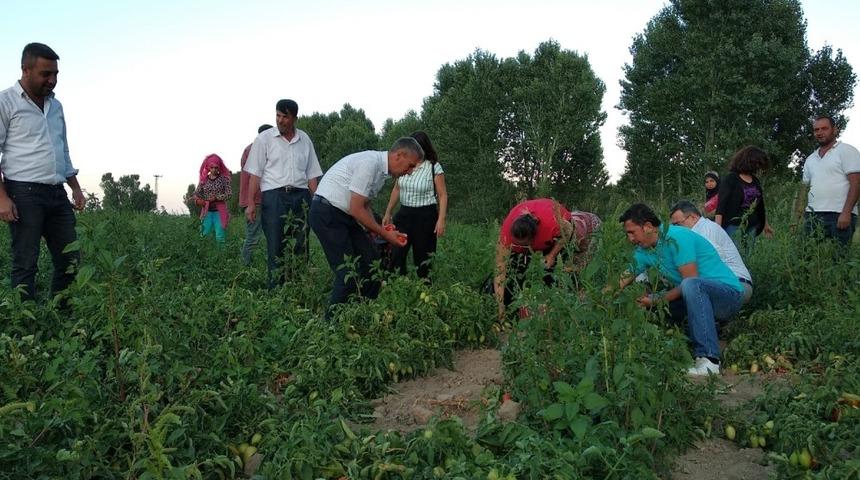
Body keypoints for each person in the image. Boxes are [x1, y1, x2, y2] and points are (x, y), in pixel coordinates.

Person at [0, 43, 85, 301]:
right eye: (45, 74)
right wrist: (2, 198)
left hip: (56, 194)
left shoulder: (56, 107)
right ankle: (24, 328)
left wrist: (76, 187)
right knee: (26, 262)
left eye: (56, 74)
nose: (52, 80)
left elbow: (62, 149)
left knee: (70, 258)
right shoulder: (6, 102)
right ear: (25, 70)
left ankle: (64, 315)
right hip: (23, 193)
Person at [617, 203, 743, 376]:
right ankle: (670, 349)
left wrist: (657, 298)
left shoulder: (676, 237)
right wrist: (600, 298)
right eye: (627, 234)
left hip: (727, 296)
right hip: (697, 297)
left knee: (690, 285)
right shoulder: (644, 251)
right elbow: (622, 279)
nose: (630, 239)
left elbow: (690, 281)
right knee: (653, 309)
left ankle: (709, 361)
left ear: (647, 227)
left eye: (632, 232)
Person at [309, 138, 424, 318]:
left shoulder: (381, 172)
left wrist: (384, 230)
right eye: (410, 166)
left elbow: (364, 206)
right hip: (327, 213)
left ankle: (363, 314)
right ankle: (330, 327)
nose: (409, 173)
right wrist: (385, 235)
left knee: (372, 263)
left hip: (343, 215)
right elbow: (356, 209)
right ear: (399, 155)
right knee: (347, 273)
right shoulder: (370, 164)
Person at [243, 100, 322, 288]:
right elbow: (255, 173)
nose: (280, 120)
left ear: (295, 118)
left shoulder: (304, 140)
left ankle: (298, 288)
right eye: (278, 115)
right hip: (274, 197)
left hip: (301, 197)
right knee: (275, 244)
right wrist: (251, 203)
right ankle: (275, 291)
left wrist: (318, 202)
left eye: (285, 116)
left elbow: (311, 175)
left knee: (301, 244)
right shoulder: (264, 139)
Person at [493, 198, 600, 320]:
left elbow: (568, 232)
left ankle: (576, 312)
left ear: (534, 238)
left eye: (523, 245)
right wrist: (500, 307)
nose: (519, 248)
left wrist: (552, 255)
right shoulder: (506, 235)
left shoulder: (552, 225)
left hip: (587, 228)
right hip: (554, 220)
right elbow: (499, 269)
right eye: (516, 245)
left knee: (574, 273)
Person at [382, 131, 448, 280]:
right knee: (396, 254)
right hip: (404, 215)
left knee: (423, 259)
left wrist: (441, 219)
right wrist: (388, 212)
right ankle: (397, 285)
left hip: (426, 216)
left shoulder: (433, 167)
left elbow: (443, 195)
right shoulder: (405, 166)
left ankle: (425, 292)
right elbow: (397, 189)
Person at [669, 200, 753, 304]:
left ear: (693, 217)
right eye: (672, 226)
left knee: (688, 291)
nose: (675, 229)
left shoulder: (705, 231)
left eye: (677, 224)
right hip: (733, 283)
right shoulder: (702, 229)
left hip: (737, 285)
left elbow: (712, 263)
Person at [796, 116, 860, 246]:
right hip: (812, 215)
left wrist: (846, 213)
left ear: (834, 130)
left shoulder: (847, 150)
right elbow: (803, 188)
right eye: (816, 130)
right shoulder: (810, 159)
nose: (819, 133)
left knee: (839, 259)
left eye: (824, 128)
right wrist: (796, 216)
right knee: (807, 257)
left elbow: (856, 183)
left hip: (839, 214)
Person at [715, 146, 774, 252]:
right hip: (734, 226)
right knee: (735, 255)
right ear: (748, 161)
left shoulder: (755, 180)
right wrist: (717, 229)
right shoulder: (731, 179)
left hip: (752, 226)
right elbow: (721, 204)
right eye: (757, 163)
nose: (758, 167)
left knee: (748, 256)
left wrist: (766, 225)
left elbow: (760, 205)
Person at [238, 124, 272, 265]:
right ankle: (244, 268)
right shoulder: (259, 149)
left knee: (260, 235)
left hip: (252, 198)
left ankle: (249, 266)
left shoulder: (248, 149)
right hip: (256, 199)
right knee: (253, 237)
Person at [193, 154, 231, 243]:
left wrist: (216, 198)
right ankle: (203, 254)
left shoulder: (224, 179)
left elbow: (229, 194)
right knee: (204, 235)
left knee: (220, 236)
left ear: (219, 167)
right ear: (208, 167)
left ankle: (221, 256)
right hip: (207, 212)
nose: (214, 169)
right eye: (212, 167)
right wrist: (198, 201)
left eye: (216, 167)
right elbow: (196, 194)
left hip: (219, 212)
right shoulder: (204, 180)